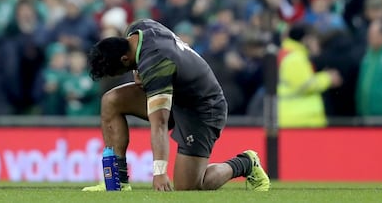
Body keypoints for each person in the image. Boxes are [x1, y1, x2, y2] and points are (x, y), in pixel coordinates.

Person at [83, 19, 269, 192]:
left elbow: (159, 123)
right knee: (111, 101)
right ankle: (117, 181)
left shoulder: (156, 65)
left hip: (203, 108)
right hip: (176, 94)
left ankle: (246, 163)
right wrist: (137, 70)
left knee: (189, 186)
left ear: (124, 59)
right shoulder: (139, 27)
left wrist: (159, 172)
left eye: (116, 72)